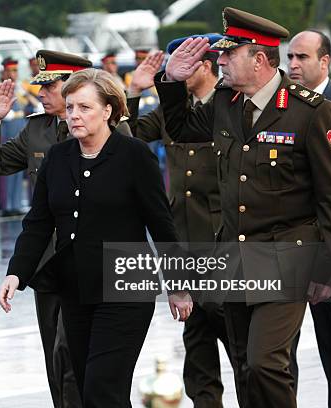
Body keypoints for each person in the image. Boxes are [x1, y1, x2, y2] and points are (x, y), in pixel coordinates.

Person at [154, 7, 331, 408]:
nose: (219, 61)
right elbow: (180, 128)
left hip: (287, 258)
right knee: (245, 365)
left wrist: (329, 268)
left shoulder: (311, 112)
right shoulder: (227, 102)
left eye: (229, 54)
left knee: (265, 363)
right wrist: (171, 80)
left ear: (259, 59)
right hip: (235, 258)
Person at [0, 68, 192, 406]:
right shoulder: (58, 158)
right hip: (75, 290)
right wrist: (17, 272)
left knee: (103, 388)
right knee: (91, 390)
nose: (74, 115)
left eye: (84, 108)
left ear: (109, 110)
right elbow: (39, 223)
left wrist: (178, 285)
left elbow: (161, 225)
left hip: (126, 289)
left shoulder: (134, 155)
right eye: (70, 107)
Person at [0, 49, 93, 408]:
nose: (40, 93)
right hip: (48, 260)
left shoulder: (105, 125)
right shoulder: (36, 128)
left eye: (49, 86)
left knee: (74, 354)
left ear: (73, 87)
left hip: (91, 259)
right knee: (55, 360)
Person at [128, 33, 233, 408]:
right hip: (185, 243)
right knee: (198, 357)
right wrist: (135, 93)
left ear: (205, 65)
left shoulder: (230, 104)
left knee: (247, 356)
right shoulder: (173, 110)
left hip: (225, 244)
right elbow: (130, 140)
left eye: (183, 68)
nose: (175, 75)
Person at [288, 29, 331, 408]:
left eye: (303, 58)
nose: (294, 65)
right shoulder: (286, 106)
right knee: (324, 348)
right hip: (302, 246)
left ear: (324, 61)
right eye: (290, 58)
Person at [0, 57, 27, 216]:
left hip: (18, 131)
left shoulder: (19, 88)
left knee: (17, 170)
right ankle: (5, 204)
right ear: (4, 71)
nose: (13, 74)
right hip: (5, 132)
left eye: (15, 70)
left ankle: (15, 203)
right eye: (10, 70)